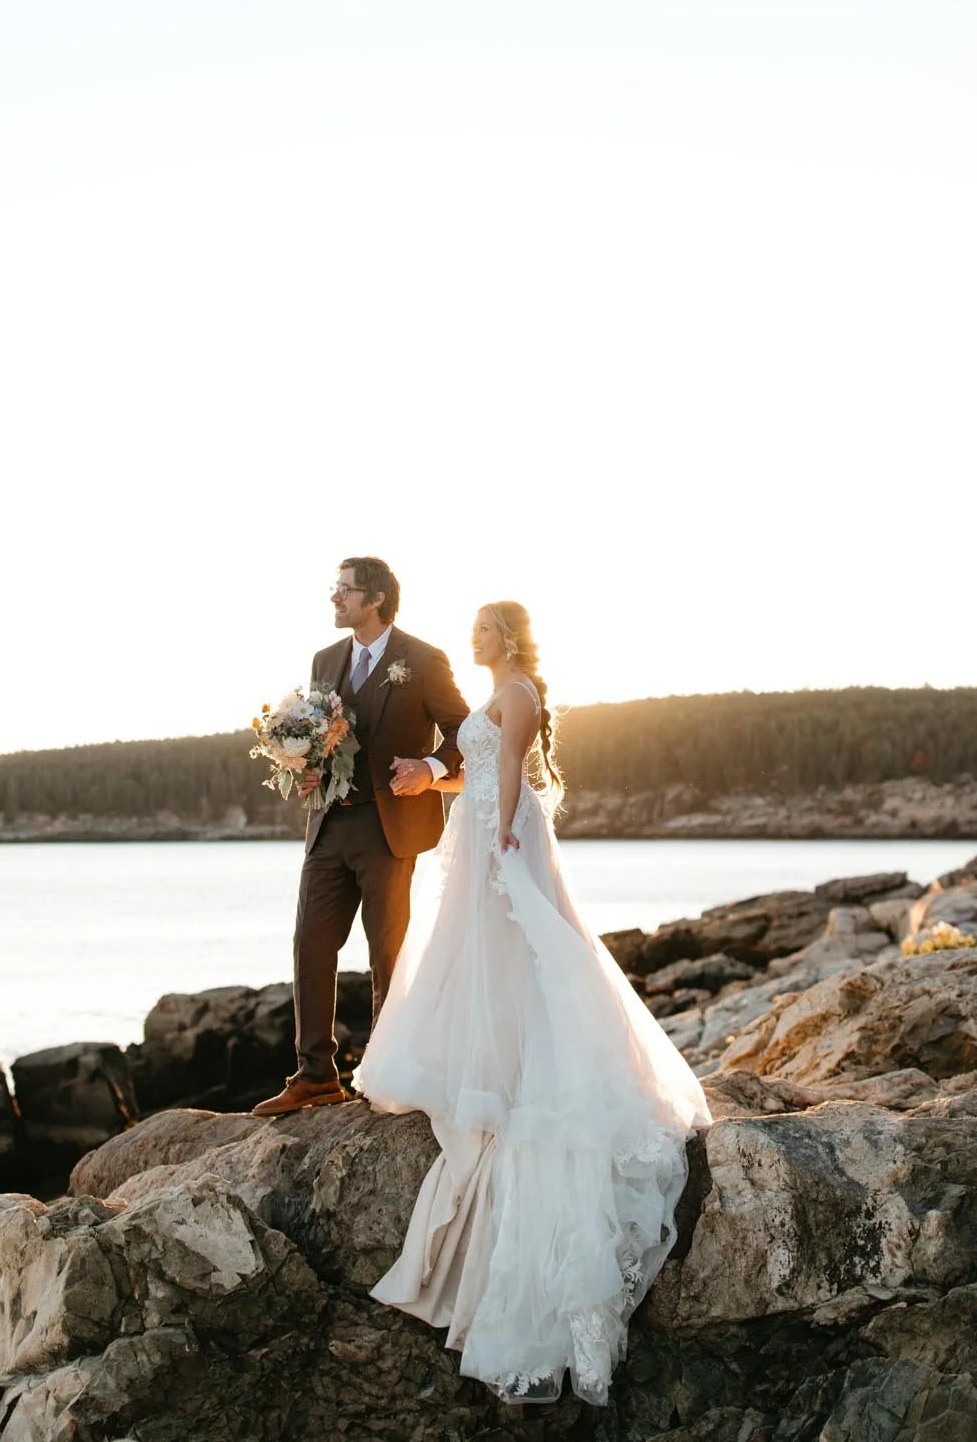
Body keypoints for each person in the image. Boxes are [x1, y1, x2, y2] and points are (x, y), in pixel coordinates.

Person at [354, 601, 710, 1405]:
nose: (472, 637)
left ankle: (517, 1064)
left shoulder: (517, 692)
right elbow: (477, 768)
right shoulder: (493, 694)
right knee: (484, 960)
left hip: (503, 836)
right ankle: (492, 1052)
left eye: (482, 627)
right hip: (483, 828)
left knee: (522, 952)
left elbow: (510, 769)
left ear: (507, 636)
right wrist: (431, 775)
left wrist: (504, 841)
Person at [252, 557, 470, 1117]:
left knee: (387, 953)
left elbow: (468, 737)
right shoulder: (325, 660)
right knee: (311, 944)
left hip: (389, 829)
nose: (334, 599)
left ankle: (388, 1072)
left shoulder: (422, 659)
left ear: (374, 599)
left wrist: (430, 768)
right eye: (335, 589)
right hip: (329, 824)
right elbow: (323, 735)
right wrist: (303, 766)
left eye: (343, 590)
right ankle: (316, 1075)